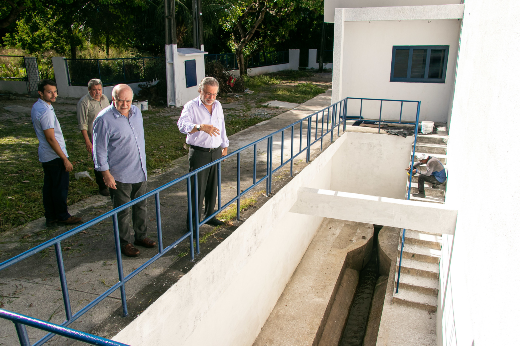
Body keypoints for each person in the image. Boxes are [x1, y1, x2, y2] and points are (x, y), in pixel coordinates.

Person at [92, 84, 156, 257]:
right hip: (119, 175)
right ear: (113, 99)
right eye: (121, 100)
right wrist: (106, 175)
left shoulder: (136, 112)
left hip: (139, 170)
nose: (125, 104)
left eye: (128, 100)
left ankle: (140, 236)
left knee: (141, 207)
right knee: (123, 212)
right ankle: (124, 243)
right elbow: (99, 150)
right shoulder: (104, 119)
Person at [177, 77, 229, 228]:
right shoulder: (191, 106)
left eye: (214, 94)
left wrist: (225, 146)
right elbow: (182, 125)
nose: (211, 97)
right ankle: (192, 225)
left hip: (216, 151)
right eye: (207, 93)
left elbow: (222, 126)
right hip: (199, 153)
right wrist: (200, 127)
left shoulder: (218, 105)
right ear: (200, 91)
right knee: (197, 189)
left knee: (213, 187)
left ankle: (210, 216)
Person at [31, 80, 82, 227]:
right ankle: (62, 215)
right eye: (49, 92)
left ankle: (51, 216)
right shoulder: (45, 111)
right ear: (41, 93)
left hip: (46, 155)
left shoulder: (38, 106)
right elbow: (50, 138)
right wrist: (64, 159)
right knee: (60, 187)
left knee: (50, 186)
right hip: (54, 156)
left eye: (55, 91)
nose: (54, 95)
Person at [77, 78, 111, 196]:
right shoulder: (84, 102)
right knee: (99, 161)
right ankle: (102, 186)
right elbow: (83, 124)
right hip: (95, 137)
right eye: (94, 90)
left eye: (99, 89)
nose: (97, 92)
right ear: (89, 90)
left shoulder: (105, 99)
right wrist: (87, 141)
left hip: (108, 135)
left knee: (110, 159)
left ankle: (111, 181)